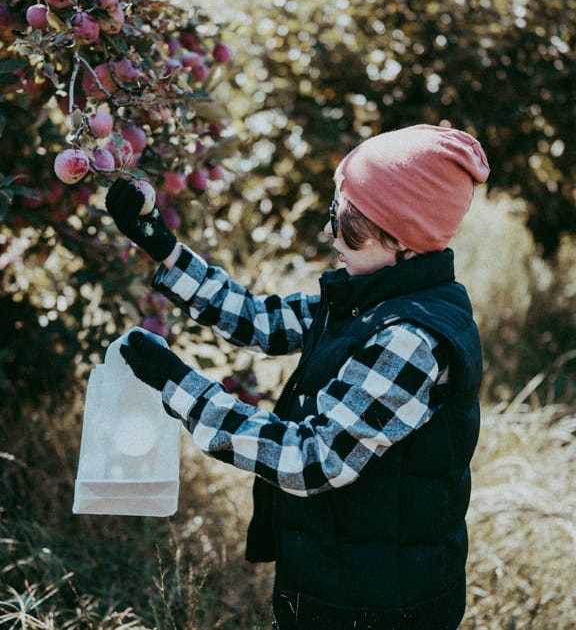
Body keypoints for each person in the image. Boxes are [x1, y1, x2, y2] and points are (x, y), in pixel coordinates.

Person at [105, 124, 490, 630]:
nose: (330, 232)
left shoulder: (411, 341)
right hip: (337, 574)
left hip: (382, 604)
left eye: (347, 221)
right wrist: (163, 246)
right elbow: (260, 321)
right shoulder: (369, 298)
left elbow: (311, 459)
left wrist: (178, 385)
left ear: (403, 237)